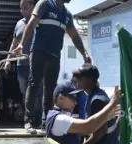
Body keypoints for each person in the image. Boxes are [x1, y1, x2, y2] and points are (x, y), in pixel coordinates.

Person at [14, 0, 91, 134]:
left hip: (55, 55)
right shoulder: (44, 4)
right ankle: (29, 121)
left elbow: (74, 36)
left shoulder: (67, 14)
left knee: (50, 89)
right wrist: (21, 44)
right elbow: (31, 24)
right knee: (34, 84)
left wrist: (84, 53)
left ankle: (46, 122)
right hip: (38, 51)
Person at [45, 81, 120, 144]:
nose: (75, 102)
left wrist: (106, 117)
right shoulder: (59, 119)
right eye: (72, 97)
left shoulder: (58, 116)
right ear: (60, 98)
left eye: (76, 98)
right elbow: (88, 127)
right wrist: (111, 104)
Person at [5, 0, 43, 123]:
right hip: (22, 65)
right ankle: (29, 120)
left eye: (25, 8)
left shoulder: (40, 21)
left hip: (37, 64)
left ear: (33, 7)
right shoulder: (19, 24)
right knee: (24, 93)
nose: (22, 11)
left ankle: (38, 121)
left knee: (37, 93)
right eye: (21, 8)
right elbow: (14, 43)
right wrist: (8, 60)